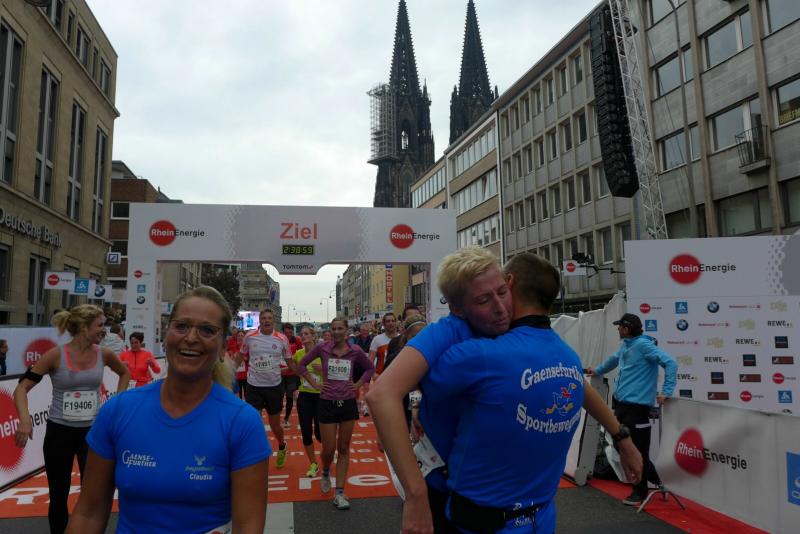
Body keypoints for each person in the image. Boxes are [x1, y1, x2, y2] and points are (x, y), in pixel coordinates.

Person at [368, 247, 642, 534]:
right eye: (483, 299)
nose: (500, 307)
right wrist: (415, 494)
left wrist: (621, 438)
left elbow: (574, 381)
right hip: (454, 494)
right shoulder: (447, 333)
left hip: (529, 509)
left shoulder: (515, 333)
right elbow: (382, 394)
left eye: (502, 292)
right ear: (458, 308)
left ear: (509, 283)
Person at [66, 286, 270, 534]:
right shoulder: (117, 411)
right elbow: (88, 514)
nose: (191, 337)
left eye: (207, 330)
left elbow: (248, 526)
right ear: (166, 336)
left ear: (222, 347)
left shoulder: (242, 422)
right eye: (181, 326)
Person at [13, 305, 130, 533]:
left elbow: (124, 372)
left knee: (94, 494)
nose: (104, 330)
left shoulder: (104, 354)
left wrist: (117, 402)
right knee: (58, 494)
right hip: (59, 432)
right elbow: (21, 388)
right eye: (100, 325)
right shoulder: (55, 355)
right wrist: (25, 419)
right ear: (84, 327)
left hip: (93, 434)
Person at [587, 312, 678, 506]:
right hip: (622, 405)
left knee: (637, 450)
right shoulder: (626, 345)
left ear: (626, 329)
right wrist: (597, 370)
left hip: (637, 407)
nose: (617, 328)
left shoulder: (644, 345)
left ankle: (640, 492)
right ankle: (658, 481)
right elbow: (613, 359)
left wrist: (666, 391)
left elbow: (670, 363)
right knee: (622, 446)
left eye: (619, 326)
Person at [297, 317, 374, 510]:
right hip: (327, 403)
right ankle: (325, 472)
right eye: (334, 329)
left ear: (347, 331)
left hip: (347, 403)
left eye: (340, 328)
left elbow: (370, 368)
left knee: (344, 448)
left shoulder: (355, 351)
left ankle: (339, 492)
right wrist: (315, 383)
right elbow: (301, 365)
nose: (337, 332)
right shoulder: (322, 348)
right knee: (329, 449)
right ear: (330, 331)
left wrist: (357, 384)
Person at [235, 309, 293, 469]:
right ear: (260, 321)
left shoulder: (282, 339)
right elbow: (240, 355)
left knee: (275, 426)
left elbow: (290, 362)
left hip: (274, 386)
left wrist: (301, 374)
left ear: (273, 321)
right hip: (254, 385)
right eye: (264, 318)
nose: (267, 320)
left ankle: (282, 445)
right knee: (254, 421)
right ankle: (257, 453)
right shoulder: (250, 336)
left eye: (269, 318)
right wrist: (231, 370)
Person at [293, 326, 323, 477]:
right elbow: (292, 368)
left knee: (320, 434)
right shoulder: (298, 354)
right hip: (304, 395)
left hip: (321, 396)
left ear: (313, 336)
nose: (303, 336)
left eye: (306, 334)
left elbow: (333, 370)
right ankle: (313, 464)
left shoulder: (322, 352)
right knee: (306, 431)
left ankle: (329, 452)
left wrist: (323, 370)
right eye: (301, 334)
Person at [280, 322, 303, 428]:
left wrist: (296, 365)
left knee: (289, 397)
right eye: (286, 333)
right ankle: (278, 416)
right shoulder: (278, 340)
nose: (288, 334)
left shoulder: (296, 340)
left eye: (290, 332)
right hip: (280, 373)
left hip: (291, 374)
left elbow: (301, 354)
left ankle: (286, 419)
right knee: (279, 397)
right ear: (283, 332)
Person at [228, 330, 247, 399]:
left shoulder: (247, 347)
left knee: (247, 395)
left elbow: (251, 358)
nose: (240, 337)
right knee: (238, 396)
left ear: (244, 337)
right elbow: (229, 358)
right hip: (236, 375)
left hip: (246, 375)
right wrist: (232, 356)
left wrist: (243, 358)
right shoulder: (232, 347)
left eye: (242, 336)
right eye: (238, 336)